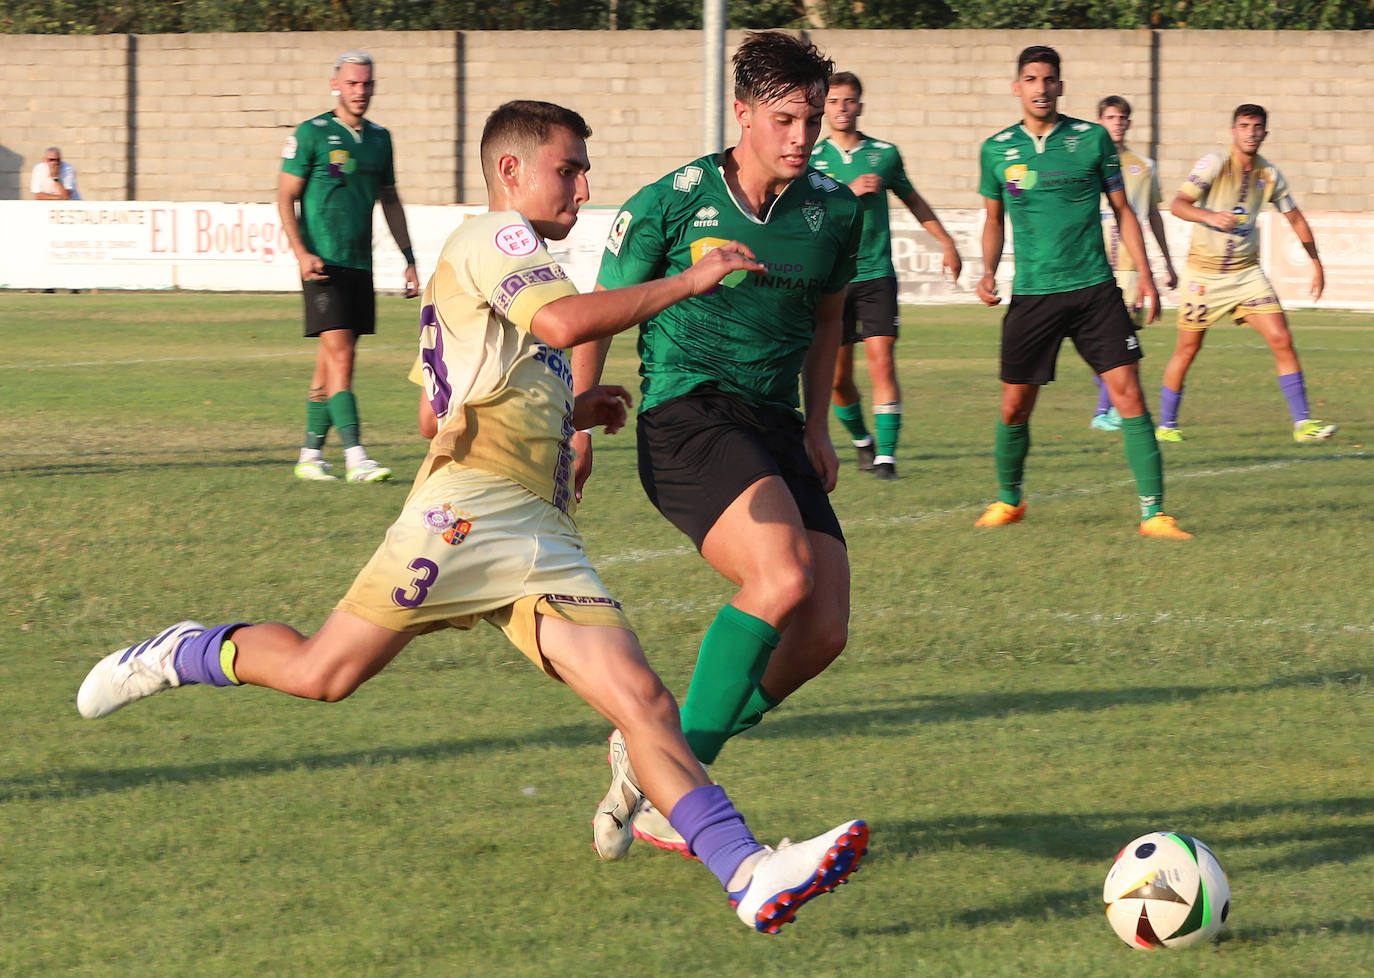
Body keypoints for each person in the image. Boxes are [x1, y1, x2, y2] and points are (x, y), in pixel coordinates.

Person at [75, 100, 868, 935]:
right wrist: (687, 280)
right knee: (324, 673)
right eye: (569, 168)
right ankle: (180, 650)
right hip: (465, 512)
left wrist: (571, 407)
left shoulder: (488, 260)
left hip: (539, 528)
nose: (583, 185)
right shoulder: (499, 237)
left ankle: (747, 872)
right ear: (512, 172)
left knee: (643, 704)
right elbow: (561, 323)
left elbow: (438, 410)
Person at [573, 31, 865, 857]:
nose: (802, 136)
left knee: (824, 626)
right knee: (780, 574)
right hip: (686, 415)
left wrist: (815, 424)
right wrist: (578, 420)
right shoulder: (671, 200)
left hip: (774, 426)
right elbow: (602, 305)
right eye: (784, 118)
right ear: (743, 113)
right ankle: (682, 781)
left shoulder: (837, 212)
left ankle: (653, 757)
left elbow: (830, 319)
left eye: (811, 117)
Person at [974, 45, 1190, 540]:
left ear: (1061, 86)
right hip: (1033, 294)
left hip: (1095, 290)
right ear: (1017, 87)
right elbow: (993, 219)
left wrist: (1150, 277)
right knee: (1014, 407)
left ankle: (1154, 514)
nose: (1041, 88)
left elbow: (1124, 211)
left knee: (1129, 394)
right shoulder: (996, 150)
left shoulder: (1091, 140)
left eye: (1049, 79)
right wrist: (987, 271)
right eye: (1031, 79)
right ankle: (1009, 500)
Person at [279, 50, 420, 485]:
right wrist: (302, 253)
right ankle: (356, 457)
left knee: (331, 364)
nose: (360, 91)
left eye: (367, 83)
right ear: (335, 84)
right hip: (323, 264)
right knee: (342, 357)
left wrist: (410, 259)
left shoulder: (380, 139)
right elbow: (285, 196)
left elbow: (390, 200)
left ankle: (309, 455)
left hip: (360, 265)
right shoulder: (311, 134)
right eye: (352, 83)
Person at [812, 72, 962, 479]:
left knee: (882, 362)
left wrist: (946, 242)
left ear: (860, 105)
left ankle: (887, 458)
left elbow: (913, 199)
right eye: (834, 101)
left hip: (877, 273)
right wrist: (846, 188)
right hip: (833, 278)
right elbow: (799, 211)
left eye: (849, 101)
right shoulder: (810, 159)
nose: (842, 108)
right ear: (823, 107)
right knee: (838, 379)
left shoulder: (884, 155)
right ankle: (863, 442)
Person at [1156, 104, 1334, 444]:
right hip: (1204, 276)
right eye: (1244, 126)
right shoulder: (1214, 163)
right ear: (1233, 130)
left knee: (1282, 339)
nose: (1250, 132)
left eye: (1257, 127)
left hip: (1246, 274)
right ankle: (1166, 425)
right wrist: (1209, 216)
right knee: (1187, 350)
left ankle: (1303, 424)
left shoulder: (1269, 174)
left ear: (1265, 133)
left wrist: (1316, 263)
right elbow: (1178, 205)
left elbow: (1295, 218)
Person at [1088, 95, 1177, 432]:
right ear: (1100, 121)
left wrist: (1166, 263)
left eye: (1123, 118)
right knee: (1106, 339)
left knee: (1124, 339)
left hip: (1130, 266)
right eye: (1111, 117)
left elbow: (1152, 215)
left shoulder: (1144, 167)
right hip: (1097, 263)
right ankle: (1105, 409)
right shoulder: (1088, 162)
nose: (1117, 123)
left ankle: (1106, 410)